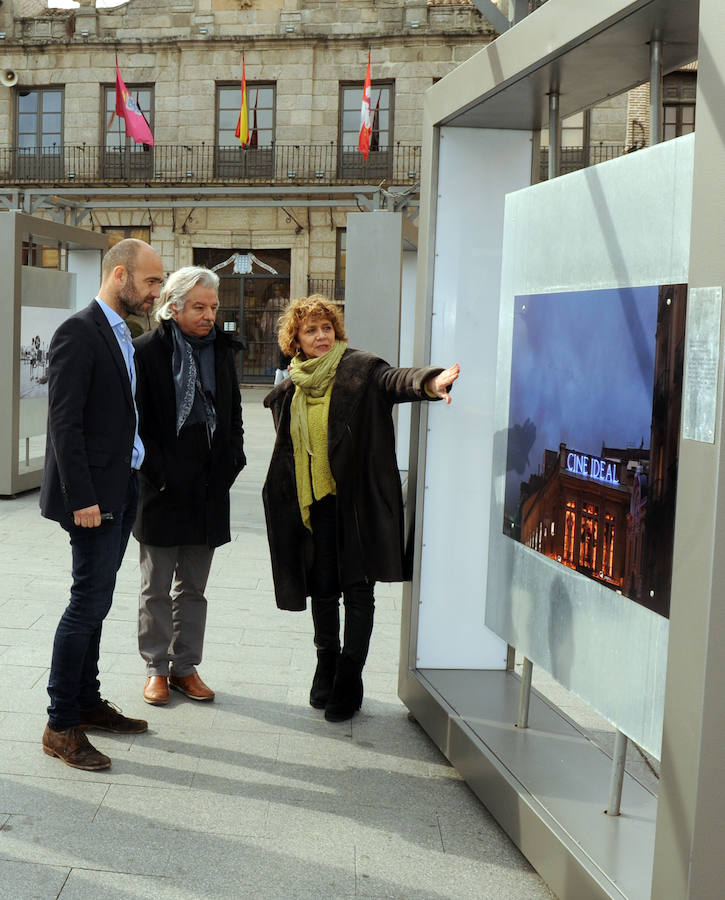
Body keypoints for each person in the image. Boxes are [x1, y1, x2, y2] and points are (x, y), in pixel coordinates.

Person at [263, 295, 460, 722]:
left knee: (357, 589)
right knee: (322, 589)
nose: (320, 336)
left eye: (326, 328)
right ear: (295, 339)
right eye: (310, 330)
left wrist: (430, 382)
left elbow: (395, 380)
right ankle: (326, 664)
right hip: (313, 508)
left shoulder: (360, 370)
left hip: (356, 504)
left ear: (337, 332)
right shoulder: (290, 389)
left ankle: (350, 678)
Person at [40, 238, 165, 770]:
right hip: (92, 497)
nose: (156, 292)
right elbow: (63, 424)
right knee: (86, 602)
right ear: (120, 276)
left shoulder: (123, 334)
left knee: (99, 600)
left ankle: (86, 701)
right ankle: (61, 723)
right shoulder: (79, 332)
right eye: (152, 281)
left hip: (123, 485)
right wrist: (83, 499)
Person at [133, 266, 245, 706]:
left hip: (208, 490)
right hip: (161, 490)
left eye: (213, 307)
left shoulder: (221, 351)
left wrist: (230, 463)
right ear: (173, 305)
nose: (208, 316)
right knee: (156, 587)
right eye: (199, 307)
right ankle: (156, 668)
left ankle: (185, 667)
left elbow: (233, 414)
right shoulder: (146, 353)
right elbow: (136, 423)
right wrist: (159, 475)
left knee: (194, 588)